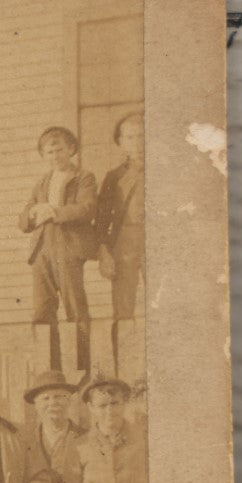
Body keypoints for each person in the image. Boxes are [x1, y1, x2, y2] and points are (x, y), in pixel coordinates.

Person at [19, 126, 97, 374]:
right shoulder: (42, 182)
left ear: (71, 149)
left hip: (67, 247)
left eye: (59, 150)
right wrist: (32, 213)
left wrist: (54, 212)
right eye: (49, 151)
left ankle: (83, 368)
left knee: (75, 307)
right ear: (43, 155)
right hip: (42, 249)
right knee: (42, 310)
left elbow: (87, 209)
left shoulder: (83, 177)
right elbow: (23, 221)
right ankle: (50, 370)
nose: (55, 156)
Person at [96, 113, 145, 375]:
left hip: (160, 240)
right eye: (130, 136)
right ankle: (125, 370)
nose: (137, 141)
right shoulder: (114, 177)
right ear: (120, 143)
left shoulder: (167, 167)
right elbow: (102, 219)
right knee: (123, 307)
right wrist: (104, 251)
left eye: (141, 134)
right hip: (125, 240)